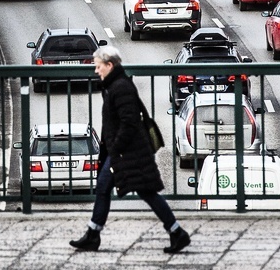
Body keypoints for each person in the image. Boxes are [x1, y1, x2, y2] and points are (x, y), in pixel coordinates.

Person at [70, 45, 191, 254]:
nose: (96, 70)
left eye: (98, 66)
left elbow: (129, 122)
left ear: (110, 65)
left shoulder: (120, 87)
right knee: (108, 188)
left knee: (143, 191)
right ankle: (93, 233)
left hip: (127, 151)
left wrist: (115, 148)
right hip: (123, 150)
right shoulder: (113, 85)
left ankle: (177, 232)